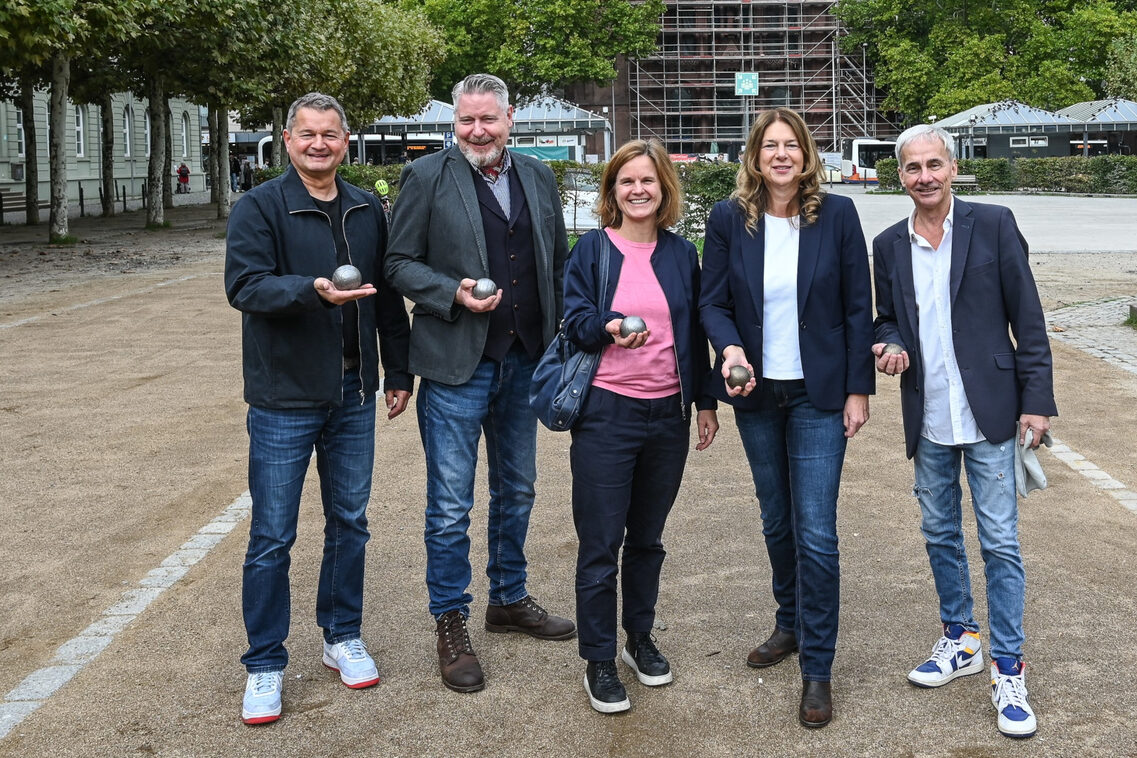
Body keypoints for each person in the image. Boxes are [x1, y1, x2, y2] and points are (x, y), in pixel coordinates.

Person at [224, 92, 412, 725]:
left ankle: (340, 635)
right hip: (285, 397)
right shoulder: (259, 207)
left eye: (330, 134)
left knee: (350, 522)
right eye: (308, 134)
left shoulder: (366, 208)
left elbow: (385, 299)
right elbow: (245, 286)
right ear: (287, 138)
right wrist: (312, 290)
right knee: (272, 536)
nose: (319, 144)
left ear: (346, 139)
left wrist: (397, 371)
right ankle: (265, 664)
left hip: (354, 396)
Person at [385, 73, 574, 693]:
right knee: (449, 505)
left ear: (510, 118)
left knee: (517, 491)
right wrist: (452, 293)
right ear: (455, 122)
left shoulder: (540, 177)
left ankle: (509, 599)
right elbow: (397, 263)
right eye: (466, 121)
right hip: (455, 365)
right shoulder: (427, 176)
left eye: (487, 120)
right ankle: (451, 620)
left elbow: (556, 262)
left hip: (525, 362)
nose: (476, 131)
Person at [871, 124, 1056, 740]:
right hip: (928, 415)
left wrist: (1038, 403)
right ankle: (961, 638)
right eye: (911, 167)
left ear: (953, 166)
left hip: (993, 412)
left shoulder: (995, 224)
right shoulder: (889, 244)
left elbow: (1027, 318)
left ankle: (1009, 667)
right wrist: (890, 344)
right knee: (939, 531)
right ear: (898, 176)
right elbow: (888, 318)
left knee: (1000, 541)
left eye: (933, 164)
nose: (924, 176)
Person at [699, 107, 874, 728]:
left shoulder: (838, 215)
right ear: (755, 155)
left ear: (806, 155)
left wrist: (859, 390)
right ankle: (789, 623)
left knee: (817, 531)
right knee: (777, 520)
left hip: (818, 394)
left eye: (790, 145)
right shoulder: (728, 218)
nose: (780, 155)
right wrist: (732, 347)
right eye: (769, 145)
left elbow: (859, 307)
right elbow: (711, 302)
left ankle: (818, 668)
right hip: (756, 394)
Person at [561, 138, 718, 714]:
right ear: (612, 191)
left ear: (664, 189)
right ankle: (598, 658)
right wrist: (608, 327)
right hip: (606, 412)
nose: (638, 190)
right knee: (602, 543)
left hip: (667, 414)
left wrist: (705, 401)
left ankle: (638, 638)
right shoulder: (592, 251)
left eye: (648, 181)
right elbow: (574, 320)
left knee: (648, 540)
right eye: (626, 181)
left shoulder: (682, 255)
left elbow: (696, 335)